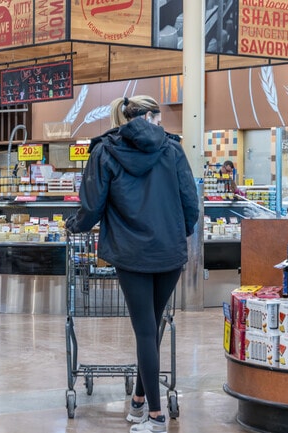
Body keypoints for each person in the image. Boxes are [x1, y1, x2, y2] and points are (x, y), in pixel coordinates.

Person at [65, 95, 199, 433]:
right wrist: (175, 232)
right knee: (152, 327)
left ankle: (155, 416)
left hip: (131, 252)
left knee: (144, 329)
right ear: (152, 116)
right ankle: (139, 400)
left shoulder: (105, 151)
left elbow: (92, 206)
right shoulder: (172, 149)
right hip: (169, 253)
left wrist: (73, 225)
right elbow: (190, 203)